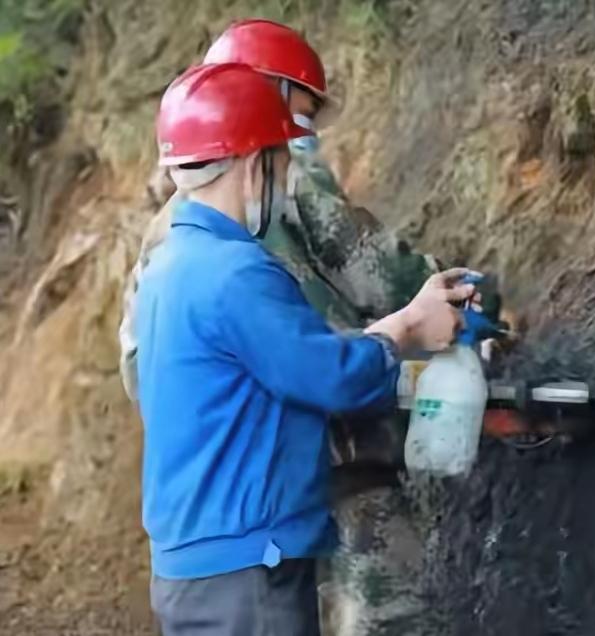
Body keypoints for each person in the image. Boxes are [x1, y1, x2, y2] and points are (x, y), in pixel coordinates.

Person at [138, 61, 476, 635]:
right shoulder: (235, 272)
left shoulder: (168, 267)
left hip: (193, 564)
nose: (284, 176)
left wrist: (403, 321)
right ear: (253, 167)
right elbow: (332, 377)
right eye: (280, 161)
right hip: (248, 566)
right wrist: (411, 328)